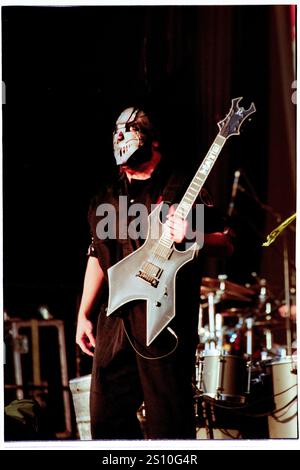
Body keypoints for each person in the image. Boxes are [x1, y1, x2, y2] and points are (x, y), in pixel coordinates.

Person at [75, 105, 234, 439]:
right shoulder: (107, 197)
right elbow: (97, 255)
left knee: (169, 425)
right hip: (115, 322)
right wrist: (83, 313)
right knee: (106, 422)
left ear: (153, 142)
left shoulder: (181, 189)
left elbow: (225, 243)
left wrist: (192, 235)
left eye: (130, 134)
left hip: (163, 321)